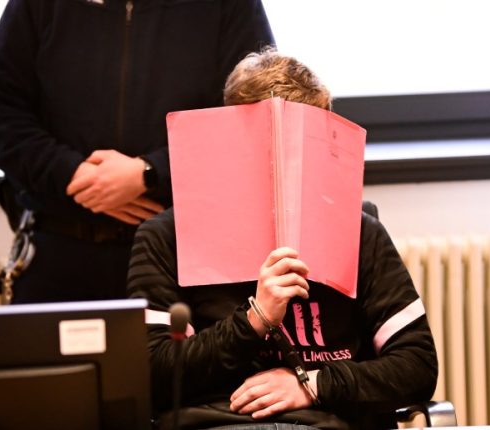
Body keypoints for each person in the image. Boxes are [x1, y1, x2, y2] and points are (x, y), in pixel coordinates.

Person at [128, 49, 438, 430]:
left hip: (327, 419)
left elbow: (417, 366)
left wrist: (314, 384)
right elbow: (151, 376)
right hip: (218, 423)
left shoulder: (361, 233)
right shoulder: (165, 237)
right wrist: (254, 321)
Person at [0, 0, 274, 303]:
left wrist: (151, 173)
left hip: (183, 257)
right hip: (59, 252)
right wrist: (74, 175)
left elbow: (255, 122)